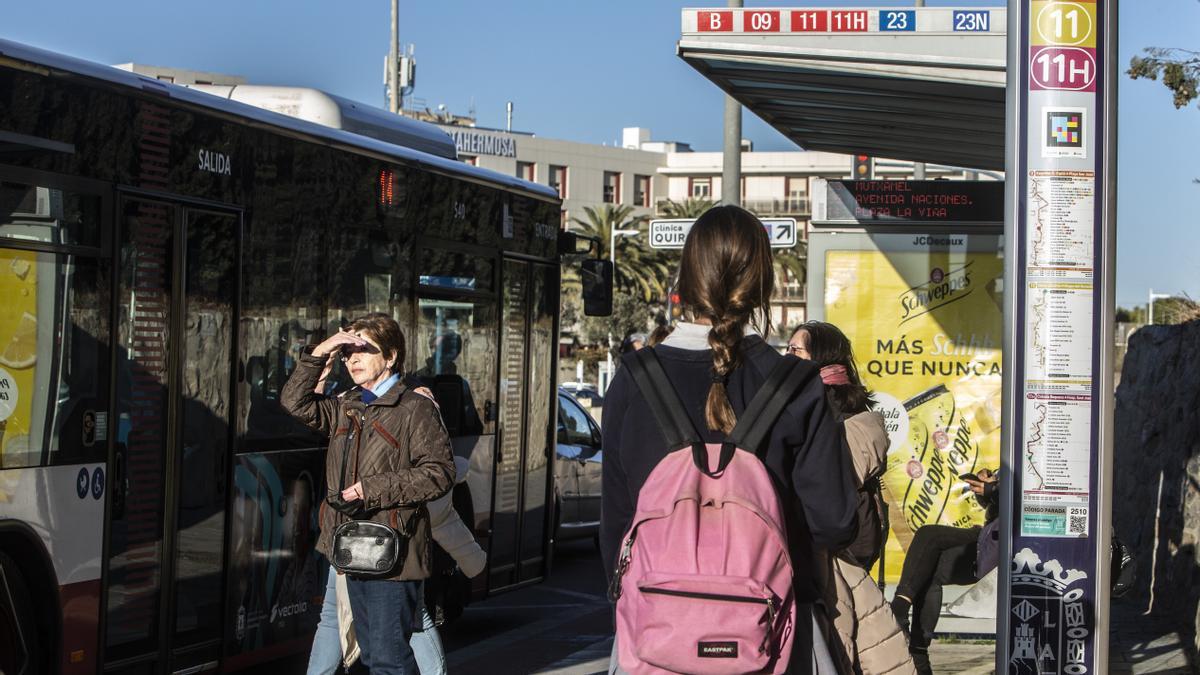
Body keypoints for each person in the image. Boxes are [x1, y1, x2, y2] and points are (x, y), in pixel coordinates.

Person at [600, 205, 859, 674]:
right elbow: (836, 522)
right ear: (763, 285)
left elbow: (617, 528)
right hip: (773, 639)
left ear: (685, 278)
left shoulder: (633, 381)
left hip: (656, 642)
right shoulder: (798, 385)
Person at [283, 314, 455, 675]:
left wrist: (370, 490)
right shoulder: (349, 403)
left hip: (392, 551)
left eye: (364, 350)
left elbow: (439, 473)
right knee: (375, 657)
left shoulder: (414, 407)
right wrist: (321, 353)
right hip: (349, 547)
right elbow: (294, 403)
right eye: (348, 353)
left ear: (391, 356)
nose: (353, 359)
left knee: (388, 658)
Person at [788, 321, 916, 675]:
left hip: (835, 548)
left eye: (796, 350)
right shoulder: (808, 409)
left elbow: (827, 479)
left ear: (822, 360)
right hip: (824, 547)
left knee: (839, 637)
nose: (787, 357)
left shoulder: (848, 421)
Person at [890, 469, 999, 675]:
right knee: (929, 570)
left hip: (995, 543)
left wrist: (993, 488)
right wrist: (985, 490)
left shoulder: (1027, 463)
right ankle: (919, 654)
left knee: (929, 534)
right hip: (990, 537)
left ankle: (899, 608)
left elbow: (1020, 500)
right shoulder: (1010, 462)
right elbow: (997, 505)